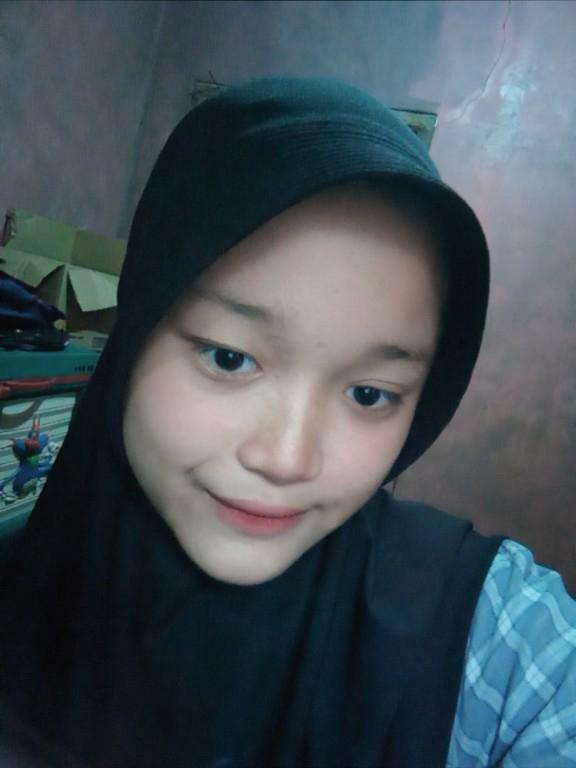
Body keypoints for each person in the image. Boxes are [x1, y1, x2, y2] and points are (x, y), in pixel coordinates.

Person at [0, 76, 574, 768]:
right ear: (138, 330)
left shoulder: (489, 633)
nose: (287, 459)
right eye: (229, 357)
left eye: (369, 394)